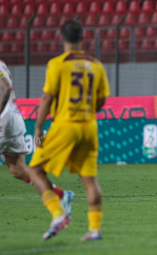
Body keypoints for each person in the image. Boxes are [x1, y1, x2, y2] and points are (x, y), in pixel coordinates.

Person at [27, 20, 110, 241]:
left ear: (61, 38)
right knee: (90, 181)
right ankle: (94, 229)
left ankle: (58, 213)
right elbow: (102, 99)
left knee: (34, 170)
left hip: (65, 125)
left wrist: (38, 127)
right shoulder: (96, 64)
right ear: (82, 38)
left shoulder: (57, 64)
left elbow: (47, 97)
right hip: (89, 127)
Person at [0, 59, 74, 213]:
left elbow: (5, 88)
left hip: (3, 122)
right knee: (18, 171)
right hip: (11, 120)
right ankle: (60, 195)